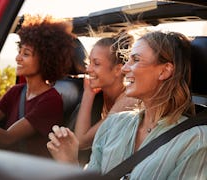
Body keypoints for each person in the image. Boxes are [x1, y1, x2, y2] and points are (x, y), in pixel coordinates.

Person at [47, 31, 207, 179]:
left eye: (136, 60)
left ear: (165, 71)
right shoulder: (111, 126)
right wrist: (69, 163)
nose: (124, 68)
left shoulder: (197, 141)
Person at [0, 14, 76, 157]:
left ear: (46, 58)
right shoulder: (17, 91)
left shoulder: (51, 100)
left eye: (26, 54)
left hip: (27, 170)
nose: (18, 58)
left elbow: (5, 139)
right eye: (19, 52)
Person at [73, 36, 138, 150]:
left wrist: (88, 94)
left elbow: (81, 142)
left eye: (96, 64)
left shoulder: (128, 100)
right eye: (89, 62)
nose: (88, 69)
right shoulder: (102, 96)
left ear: (118, 70)